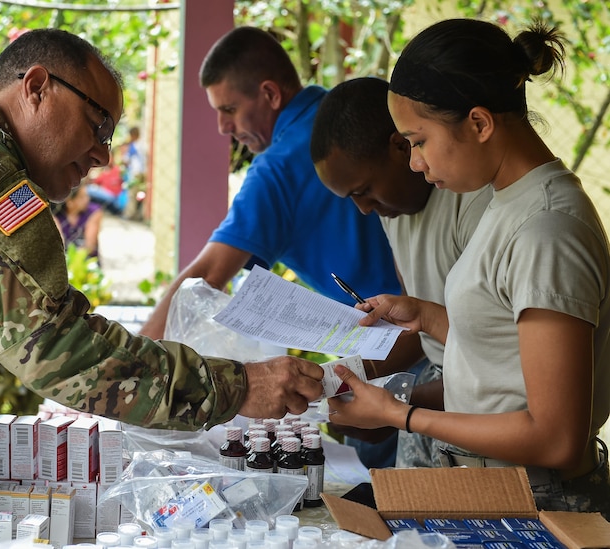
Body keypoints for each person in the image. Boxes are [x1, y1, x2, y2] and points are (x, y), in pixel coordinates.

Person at [0, 29, 324, 548]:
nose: (103, 155)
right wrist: (233, 386)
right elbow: (53, 345)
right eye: (98, 124)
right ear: (37, 86)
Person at [326, 19, 610, 518]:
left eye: (418, 141)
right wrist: (426, 316)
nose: (414, 163)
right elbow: (507, 349)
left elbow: (556, 437)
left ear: (479, 124)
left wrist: (401, 415)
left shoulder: (547, 228)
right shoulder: (507, 202)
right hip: (496, 484)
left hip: (537, 499)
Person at [139, 26, 402, 470]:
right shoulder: (332, 115)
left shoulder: (278, 168)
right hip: (429, 337)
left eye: (230, 110)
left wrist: (135, 365)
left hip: (391, 364)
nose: (224, 127)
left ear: (269, 94)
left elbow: (206, 277)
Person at [310, 76, 491, 467]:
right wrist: (349, 377)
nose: (363, 209)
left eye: (364, 190)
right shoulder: (395, 209)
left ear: (400, 146)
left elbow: (501, 364)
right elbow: (423, 330)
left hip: (484, 420)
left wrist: (394, 407)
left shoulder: (476, 205)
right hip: (438, 403)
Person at [53, 184, 104, 260]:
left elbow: (89, 246)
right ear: (69, 201)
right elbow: (59, 245)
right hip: (64, 259)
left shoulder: (93, 211)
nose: (87, 199)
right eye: (82, 197)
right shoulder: (57, 215)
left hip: (86, 260)